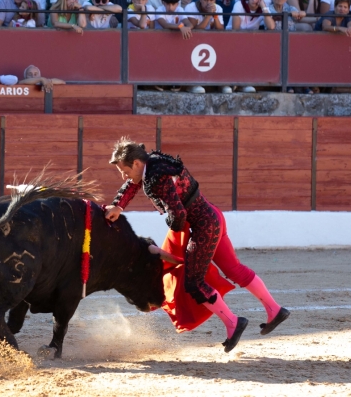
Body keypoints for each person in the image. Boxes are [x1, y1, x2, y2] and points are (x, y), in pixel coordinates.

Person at [104, 139, 290, 353]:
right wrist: (118, 204)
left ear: (136, 163)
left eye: (123, 170)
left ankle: (233, 322)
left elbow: (179, 215)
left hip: (203, 227)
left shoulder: (155, 178)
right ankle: (275, 310)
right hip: (213, 217)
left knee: (193, 282)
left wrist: (173, 229)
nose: (123, 176)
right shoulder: (155, 163)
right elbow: (133, 183)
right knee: (233, 269)